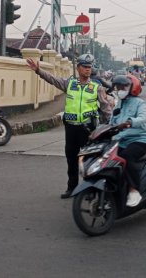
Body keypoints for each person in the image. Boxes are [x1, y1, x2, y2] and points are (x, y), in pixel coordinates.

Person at [27, 53, 113, 199]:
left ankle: (90, 190)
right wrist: (38, 71)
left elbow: (106, 108)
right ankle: (71, 188)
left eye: (89, 67)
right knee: (71, 160)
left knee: (88, 160)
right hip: (71, 129)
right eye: (84, 67)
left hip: (88, 129)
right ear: (78, 68)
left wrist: (109, 126)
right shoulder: (70, 84)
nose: (87, 69)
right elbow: (53, 80)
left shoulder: (96, 87)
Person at [109, 74, 146, 207]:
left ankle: (134, 190)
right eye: (118, 87)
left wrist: (129, 122)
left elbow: (143, 118)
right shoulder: (119, 104)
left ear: (132, 87)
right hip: (121, 140)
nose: (120, 89)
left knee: (126, 156)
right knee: (108, 158)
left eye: (123, 86)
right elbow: (111, 122)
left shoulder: (140, 103)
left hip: (140, 140)